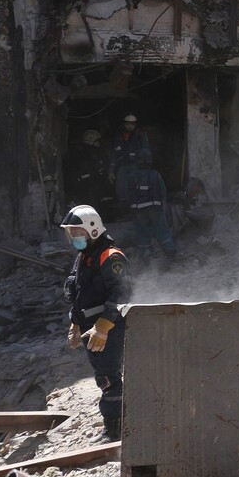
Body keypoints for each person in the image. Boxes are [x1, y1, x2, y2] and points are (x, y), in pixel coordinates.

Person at [61, 205, 128, 441]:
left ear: (93, 229)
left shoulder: (110, 256)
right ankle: (113, 427)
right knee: (103, 376)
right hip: (91, 326)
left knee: (109, 377)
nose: (74, 237)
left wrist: (104, 326)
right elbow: (78, 293)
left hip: (108, 326)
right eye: (71, 233)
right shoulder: (83, 257)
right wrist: (75, 323)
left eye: (77, 232)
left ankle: (115, 431)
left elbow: (121, 292)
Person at [127, 159, 177, 260]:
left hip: (139, 211)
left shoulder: (131, 177)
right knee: (162, 231)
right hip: (155, 209)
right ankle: (170, 254)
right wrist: (163, 207)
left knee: (142, 233)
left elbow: (128, 195)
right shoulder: (156, 175)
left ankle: (145, 259)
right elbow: (163, 192)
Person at [110, 115, 151, 203]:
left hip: (136, 165)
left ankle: (134, 204)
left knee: (134, 186)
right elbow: (114, 154)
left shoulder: (140, 135)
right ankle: (123, 205)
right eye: (127, 124)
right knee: (120, 188)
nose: (129, 126)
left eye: (132, 124)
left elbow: (146, 151)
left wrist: (146, 167)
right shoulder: (119, 135)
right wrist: (111, 171)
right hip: (122, 165)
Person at [72, 130, 112, 212]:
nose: (98, 143)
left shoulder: (95, 152)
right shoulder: (86, 154)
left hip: (93, 182)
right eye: (97, 141)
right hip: (89, 184)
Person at [168, 177, 215, 243]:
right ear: (197, 187)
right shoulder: (188, 187)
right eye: (198, 192)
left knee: (180, 226)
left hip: (178, 206)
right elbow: (179, 198)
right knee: (177, 227)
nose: (197, 194)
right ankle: (168, 241)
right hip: (174, 207)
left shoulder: (190, 187)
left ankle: (171, 240)